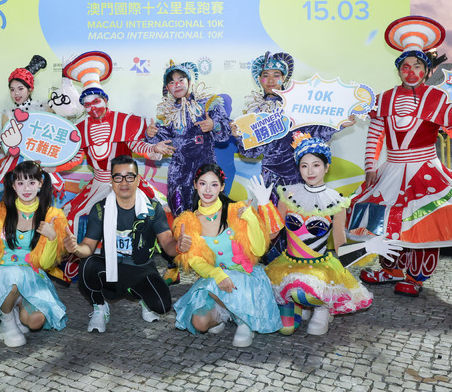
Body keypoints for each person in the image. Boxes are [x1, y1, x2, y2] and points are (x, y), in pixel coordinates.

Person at [348, 16, 452, 296]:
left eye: (417, 66)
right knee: (388, 220)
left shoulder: (438, 98)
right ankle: (391, 269)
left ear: (426, 70)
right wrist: (370, 167)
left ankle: (416, 277)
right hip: (391, 169)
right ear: (398, 69)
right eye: (405, 66)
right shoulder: (384, 98)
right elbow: (375, 134)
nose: (411, 71)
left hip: (425, 169)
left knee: (425, 222)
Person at [265, 132, 401, 336]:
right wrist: (263, 206)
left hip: (318, 268)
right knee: (285, 329)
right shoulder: (287, 195)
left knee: (304, 293)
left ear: (326, 167)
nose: (310, 171)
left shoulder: (336, 201)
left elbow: (340, 247)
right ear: (298, 168)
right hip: (287, 265)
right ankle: (298, 305)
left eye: (316, 165)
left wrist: (367, 247)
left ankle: (321, 309)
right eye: (304, 166)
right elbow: (271, 235)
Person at [57, 52, 169, 281]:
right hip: (99, 184)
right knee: (73, 214)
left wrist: (154, 148)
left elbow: (137, 145)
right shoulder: (80, 129)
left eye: (96, 101)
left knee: (155, 210)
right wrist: (51, 167)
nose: (93, 107)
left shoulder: (123, 122)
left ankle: (146, 260)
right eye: (87, 104)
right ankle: (78, 262)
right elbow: (75, 158)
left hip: (126, 182)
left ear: (105, 99)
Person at [230, 51, 352, 263]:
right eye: (265, 75)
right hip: (270, 178)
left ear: (284, 78)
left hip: (298, 176)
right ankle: (272, 269)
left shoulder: (297, 104)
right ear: (259, 79)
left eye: (276, 75)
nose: (270, 80)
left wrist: (340, 122)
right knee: (270, 225)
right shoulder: (254, 112)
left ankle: (298, 266)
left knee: (298, 226)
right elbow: (251, 152)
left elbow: (316, 130)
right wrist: (239, 136)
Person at [63, 155, 191, 333]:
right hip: (111, 268)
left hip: (141, 267)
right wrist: (76, 248)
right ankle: (100, 307)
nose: (124, 182)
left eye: (129, 177)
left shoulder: (153, 209)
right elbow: (88, 247)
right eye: (118, 177)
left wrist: (178, 247)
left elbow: (167, 243)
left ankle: (142, 297)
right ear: (111, 181)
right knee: (87, 265)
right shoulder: (100, 209)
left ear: (138, 180)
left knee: (162, 306)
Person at [0, 161, 68, 347]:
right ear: (14, 185)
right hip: (0, 276)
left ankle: (15, 306)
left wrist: (52, 238)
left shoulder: (51, 216)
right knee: (12, 276)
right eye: (21, 183)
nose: (26, 188)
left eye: (32, 182)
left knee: (36, 321)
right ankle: (7, 318)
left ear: (40, 184)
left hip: (31, 278)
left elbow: (45, 263)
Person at [172, 163, 280, 348]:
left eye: (214, 184)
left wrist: (251, 219)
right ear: (195, 185)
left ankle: (244, 321)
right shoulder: (189, 221)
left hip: (246, 280)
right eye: (203, 183)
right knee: (200, 323)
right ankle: (225, 313)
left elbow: (259, 250)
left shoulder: (236, 210)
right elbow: (196, 260)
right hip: (217, 280)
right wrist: (217, 275)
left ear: (222, 187)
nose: (208, 190)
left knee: (224, 302)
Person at [146, 60, 231, 284]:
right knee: (180, 217)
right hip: (179, 173)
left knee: (209, 215)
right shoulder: (166, 111)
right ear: (167, 87)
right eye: (171, 82)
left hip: (205, 172)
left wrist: (214, 125)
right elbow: (160, 141)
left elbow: (225, 133)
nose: (176, 85)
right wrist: (151, 135)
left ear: (190, 81)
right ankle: (177, 264)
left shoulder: (209, 103)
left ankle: (212, 263)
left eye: (180, 80)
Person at [0, 55, 55, 201]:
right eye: (12, 89)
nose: (16, 93)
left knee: (42, 200)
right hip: (16, 161)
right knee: (14, 200)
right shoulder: (7, 113)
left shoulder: (45, 107)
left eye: (20, 88)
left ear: (30, 89)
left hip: (40, 160)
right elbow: (7, 142)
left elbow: (54, 134)